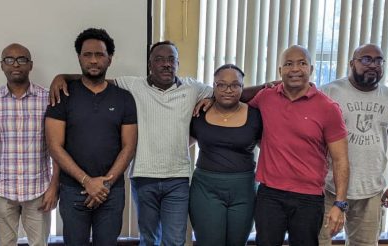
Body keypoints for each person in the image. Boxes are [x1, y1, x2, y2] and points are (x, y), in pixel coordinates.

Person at [49, 40, 213, 246]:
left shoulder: (193, 88)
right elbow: (95, 78)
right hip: (144, 177)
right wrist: (61, 77)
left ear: (178, 63)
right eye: (159, 59)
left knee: (175, 240)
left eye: (171, 59)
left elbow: (228, 91)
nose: (166, 64)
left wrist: (212, 99)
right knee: (148, 239)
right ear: (150, 64)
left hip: (178, 178)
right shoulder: (132, 85)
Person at [45, 28, 138, 245]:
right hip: (72, 190)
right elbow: (54, 146)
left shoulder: (124, 98)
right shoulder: (63, 95)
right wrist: (86, 181)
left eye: (100, 55)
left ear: (110, 59)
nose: (94, 60)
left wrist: (103, 185)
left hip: (111, 192)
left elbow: (129, 147)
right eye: (87, 55)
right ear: (79, 58)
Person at [249, 45, 349, 246]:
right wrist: (209, 100)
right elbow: (233, 101)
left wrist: (340, 204)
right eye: (288, 64)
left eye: (302, 63)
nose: (295, 69)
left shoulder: (328, 108)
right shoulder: (265, 97)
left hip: (308, 198)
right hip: (270, 194)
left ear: (311, 69)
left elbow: (341, 160)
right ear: (280, 71)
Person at [317, 44, 388, 245]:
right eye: (366, 59)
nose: (373, 65)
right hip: (327, 188)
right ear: (352, 63)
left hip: (370, 190)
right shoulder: (328, 93)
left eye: (378, 60)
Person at [0, 43, 59, 246]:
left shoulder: (48, 99)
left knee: (39, 244)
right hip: (2, 189)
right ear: (2, 65)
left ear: (30, 65)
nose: (15, 64)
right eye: (9, 59)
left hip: (38, 189)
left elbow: (57, 147)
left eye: (21, 59)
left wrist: (54, 186)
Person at [188, 64, 262, 246]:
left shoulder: (256, 116)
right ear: (214, 86)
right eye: (221, 85)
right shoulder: (199, 113)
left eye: (235, 85)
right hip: (206, 189)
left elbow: (272, 148)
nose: (228, 90)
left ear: (242, 88)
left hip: (243, 190)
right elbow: (180, 144)